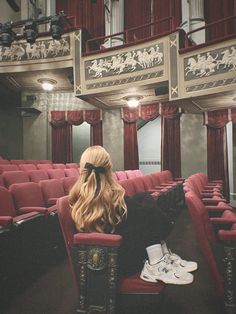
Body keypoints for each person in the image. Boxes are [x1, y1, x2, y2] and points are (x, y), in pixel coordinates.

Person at [69, 146, 197, 285]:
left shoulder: (76, 198)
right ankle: (156, 261)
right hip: (119, 262)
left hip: (100, 257)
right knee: (147, 210)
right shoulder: (114, 199)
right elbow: (164, 227)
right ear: (108, 169)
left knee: (141, 202)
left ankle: (160, 257)